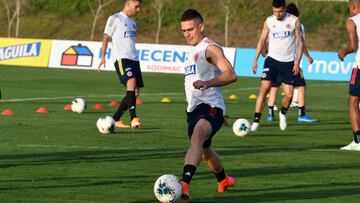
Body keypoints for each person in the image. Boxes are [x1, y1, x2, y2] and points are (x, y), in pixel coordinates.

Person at [180, 9, 237, 200]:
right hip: (194, 110)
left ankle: (184, 184)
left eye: (190, 29)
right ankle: (223, 179)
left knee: (197, 137)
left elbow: (230, 74)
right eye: (184, 31)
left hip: (211, 107)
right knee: (205, 151)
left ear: (201, 27)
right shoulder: (192, 51)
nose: (187, 34)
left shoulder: (210, 48)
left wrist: (208, 84)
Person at [250, 0, 304, 132]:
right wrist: (255, 60)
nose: (277, 14)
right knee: (264, 89)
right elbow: (262, 40)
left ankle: (282, 113)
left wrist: (297, 62)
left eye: (280, 11)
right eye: (274, 11)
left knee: (289, 95)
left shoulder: (294, 21)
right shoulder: (269, 21)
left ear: (285, 9)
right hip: (272, 61)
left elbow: (300, 43)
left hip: (288, 63)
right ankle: (256, 121)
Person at [266, 3, 317, 123]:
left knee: (274, 86)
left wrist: (265, 50)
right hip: (290, 62)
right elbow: (301, 43)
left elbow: (267, 39)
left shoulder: (274, 22)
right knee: (301, 85)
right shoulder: (297, 24)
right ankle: (301, 113)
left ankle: (270, 114)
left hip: (273, 60)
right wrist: (308, 57)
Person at [98, 0, 143, 129]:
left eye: (139, 7)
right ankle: (133, 117)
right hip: (122, 59)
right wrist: (103, 57)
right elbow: (106, 37)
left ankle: (115, 119)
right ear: (128, 4)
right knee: (131, 81)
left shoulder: (133, 23)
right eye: (136, 6)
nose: (138, 9)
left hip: (134, 59)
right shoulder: (115, 18)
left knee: (135, 92)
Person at [338, 0, 360, 151]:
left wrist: (343, 52)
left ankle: (358, 141)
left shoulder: (352, 21)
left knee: (353, 102)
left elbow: (353, 46)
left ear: (353, 6)